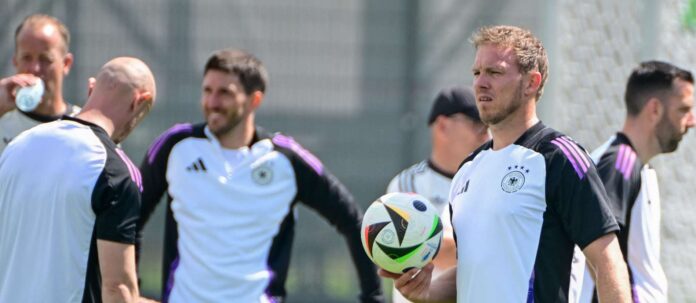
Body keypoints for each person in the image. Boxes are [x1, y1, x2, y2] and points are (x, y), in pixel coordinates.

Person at [380, 25, 632, 302]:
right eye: (477, 73)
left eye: (495, 72)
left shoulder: (558, 158)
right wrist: (427, 292)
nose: (480, 83)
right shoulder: (467, 170)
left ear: (531, 83)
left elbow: (608, 262)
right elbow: (471, 269)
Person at [137, 48, 383, 303]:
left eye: (225, 93)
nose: (212, 102)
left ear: (254, 100)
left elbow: (353, 221)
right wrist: (129, 289)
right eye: (207, 91)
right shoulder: (175, 146)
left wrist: (373, 297)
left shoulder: (285, 160)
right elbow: (130, 217)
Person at [0, 57, 157, 302]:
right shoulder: (114, 169)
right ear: (140, 101)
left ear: (92, 88)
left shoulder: (16, 146)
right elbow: (118, 288)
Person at [574, 61, 694, 302]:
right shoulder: (620, 164)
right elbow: (598, 253)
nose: (691, 121)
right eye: (683, 110)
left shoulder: (632, 164)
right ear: (655, 110)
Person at [386, 85, 489, 302]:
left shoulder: (489, 183)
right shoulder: (408, 184)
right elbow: (423, 247)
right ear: (442, 126)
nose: (486, 134)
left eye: (488, 126)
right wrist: (484, 248)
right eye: (477, 124)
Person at [0, 14, 81, 154]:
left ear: (66, 64)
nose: (35, 69)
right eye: (26, 58)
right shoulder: (3, 121)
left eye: (45, 59)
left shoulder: (85, 127)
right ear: (15, 61)